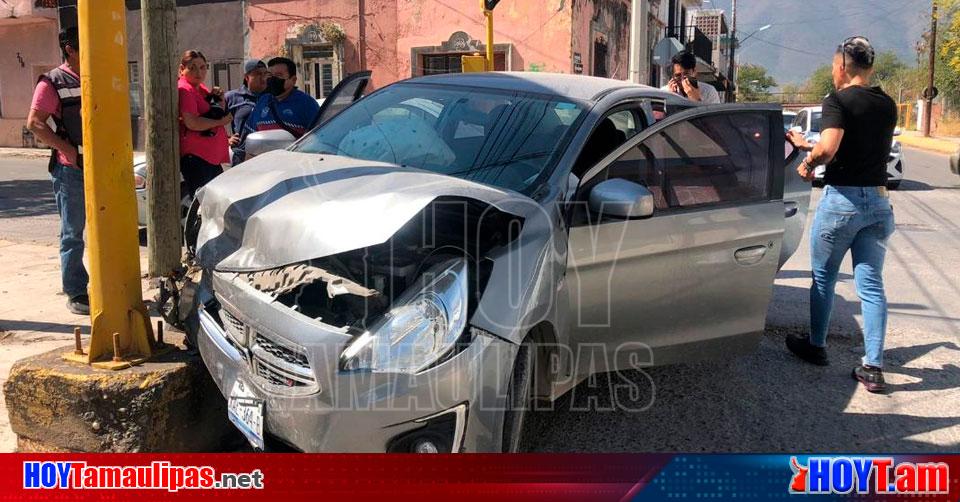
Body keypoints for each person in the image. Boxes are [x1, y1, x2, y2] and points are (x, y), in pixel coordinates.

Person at [785, 36, 897, 393]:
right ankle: (873, 367)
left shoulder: (838, 99)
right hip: (878, 204)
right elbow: (858, 142)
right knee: (871, 285)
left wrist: (808, 161)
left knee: (824, 277)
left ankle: (816, 346)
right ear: (870, 67)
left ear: (842, 67)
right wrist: (810, 144)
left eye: (834, 66)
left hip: (842, 204)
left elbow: (830, 148)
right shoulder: (887, 102)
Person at [26, 27, 89, 315]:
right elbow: (35, 123)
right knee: (73, 232)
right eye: (85, 45)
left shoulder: (94, 74)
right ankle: (76, 290)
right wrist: (68, 151)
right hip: (72, 170)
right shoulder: (52, 81)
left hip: (101, 166)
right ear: (70, 49)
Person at [177, 49, 231, 198]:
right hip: (197, 157)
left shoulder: (200, 88)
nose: (198, 72)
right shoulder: (185, 89)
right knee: (204, 204)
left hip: (209, 157)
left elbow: (216, 111)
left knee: (214, 203)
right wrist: (221, 121)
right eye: (192, 67)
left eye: (202, 67)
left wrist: (219, 99)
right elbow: (192, 122)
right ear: (182, 69)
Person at [244, 57, 320, 140]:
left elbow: (319, 137)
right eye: (269, 75)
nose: (272, 79)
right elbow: (250, 136)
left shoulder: (306, 104)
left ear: (293, 80)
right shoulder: (263, 101)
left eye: (278, 75)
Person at [225, 59, 268, 165]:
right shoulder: (232, 97)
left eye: (265, 74)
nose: (262, 78)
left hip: (269, 154)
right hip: (242, 156)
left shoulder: (273, 97)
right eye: (258, 74)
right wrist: (226, 140)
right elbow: (215, 121)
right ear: (246, 77)